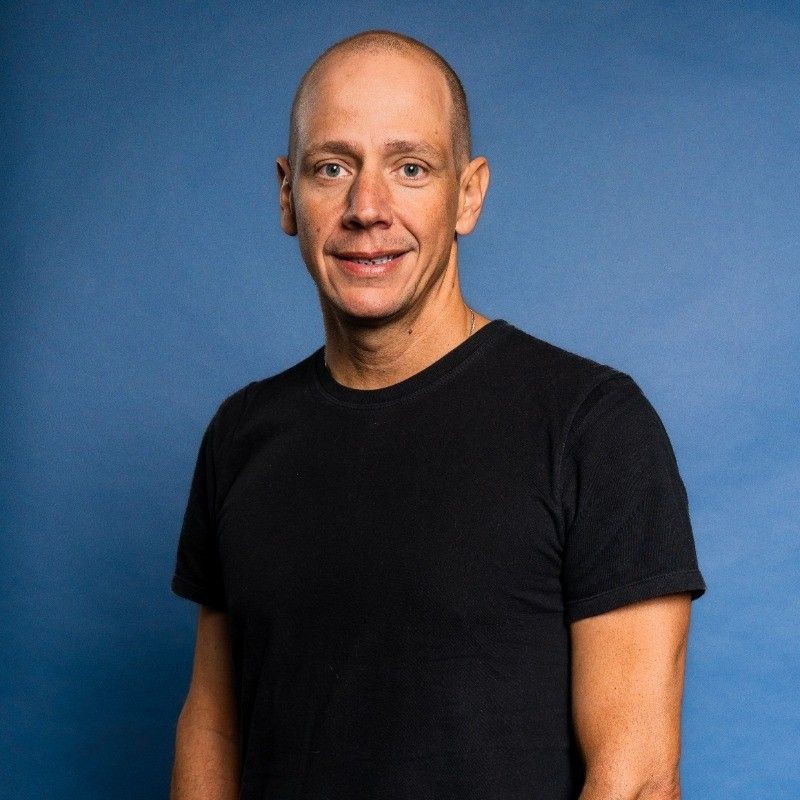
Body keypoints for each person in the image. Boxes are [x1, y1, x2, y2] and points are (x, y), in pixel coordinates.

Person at [169, 29, 706, 800]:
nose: (367, 209)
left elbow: (639, 778)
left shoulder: (591, 426)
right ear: (288, 194)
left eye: (410, 167)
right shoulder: (241, 435)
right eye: (332, 167)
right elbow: (213, 725)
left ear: (469, 192)